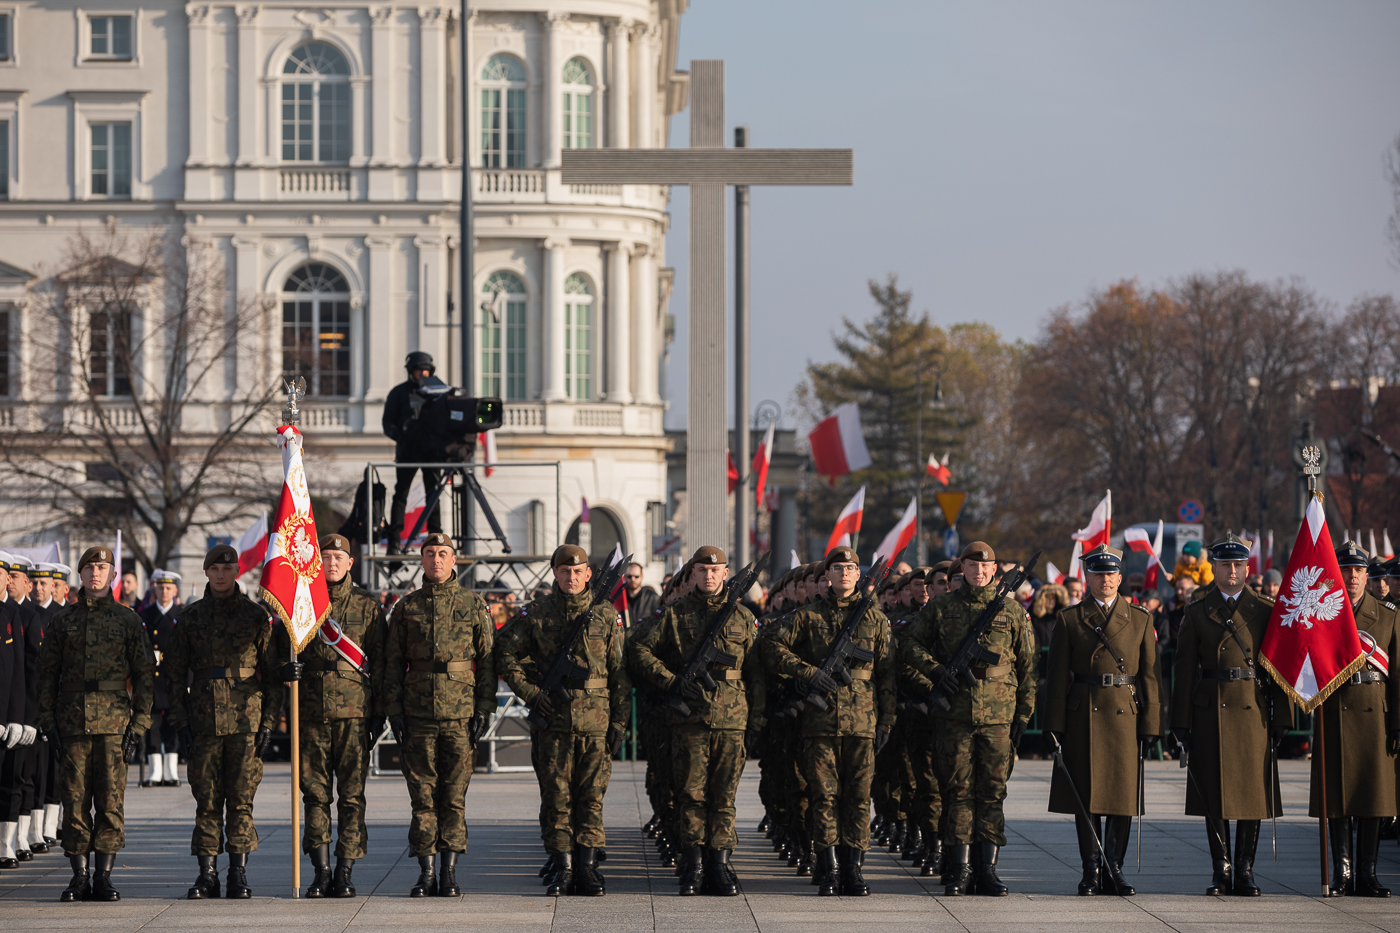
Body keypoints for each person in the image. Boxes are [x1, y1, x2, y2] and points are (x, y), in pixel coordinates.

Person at [903, 541, 1037, 897]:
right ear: (961, 568)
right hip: (955, 714)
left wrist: (1023, 716)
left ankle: (987, 870)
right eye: (972, 565)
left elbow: (1028, 668)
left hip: (998, 716)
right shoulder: (941, 607)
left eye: (985, 566)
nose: (979, 571)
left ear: (994, 570)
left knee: (992, 792)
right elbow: (909, 645)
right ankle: (960, 868)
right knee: (958, 791)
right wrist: (935, 670)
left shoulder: (1012, 611)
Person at [496, 544, 630, 897]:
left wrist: (619, 722)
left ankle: (587, 868)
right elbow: (503, 651)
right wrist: (529, 692)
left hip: (596, 722)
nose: (571, 577)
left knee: (591, 798)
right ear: (554, 573)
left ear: (588, 573)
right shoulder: (537, 612)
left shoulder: (605, 614)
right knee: (556, 798)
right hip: (553, 721)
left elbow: (620, 673)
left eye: (577, 571)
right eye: (565, 571)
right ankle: (564, 868)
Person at [762, 546, 894, 897]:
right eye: (837, 568)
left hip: (863, 723)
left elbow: (887, 675)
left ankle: (854, 868)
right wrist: (807, 672)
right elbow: (770, 647)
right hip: (820, 722)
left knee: (859, 798)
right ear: (827, 576)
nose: (844, 573)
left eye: (850, 568)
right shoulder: (807, 616)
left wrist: (886, 722)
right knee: (824, 796)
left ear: (858, 575)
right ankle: (829, 867)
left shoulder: (874, 618)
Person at [632, 546, 763, 897]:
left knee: (724, 796)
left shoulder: (742, 617)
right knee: (690, 795)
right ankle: (694, 865)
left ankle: (719, 865)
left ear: (725, 573)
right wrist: (671, 681)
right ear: (692, 574)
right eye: (702, 570)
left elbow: (756, 673)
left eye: (715, 570)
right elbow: (638, 650)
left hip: (732, 719)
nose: (708, 575)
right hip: (689, 720)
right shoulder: (674, 614)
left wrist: (757, 719)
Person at [1171, 533, 1289, 897]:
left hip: (1253, 707)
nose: (1232, 571)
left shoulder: (1265, 610)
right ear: (1214, 568)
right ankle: (1221, 868)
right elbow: (1184, 671)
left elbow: (1278, 667)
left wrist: (1283, 717)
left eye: (1238, 564)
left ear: (1248, 568)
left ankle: (1245, 868)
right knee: (1214, 792)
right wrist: (1180, 721)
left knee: (1252, 792)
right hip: (1212, 709)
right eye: (1225, 565)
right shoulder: (1196, 611)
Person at [36, 546, 154, 903]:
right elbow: (47, 675)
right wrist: (47, 721)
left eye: (102, 567)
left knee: (110, 800)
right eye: (89, 568)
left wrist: (139, 723)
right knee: (73, 801)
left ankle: (103, 876)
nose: (95, 573)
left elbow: (144, 675)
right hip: (72, 724)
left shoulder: (128, 620)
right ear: (80, 574)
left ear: (113, 574)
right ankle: (79, 876)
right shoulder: (63, 620)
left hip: (114, 725)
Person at [166, 544, 283, 900]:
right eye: (215, 569)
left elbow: (272, 675)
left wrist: (268, 722)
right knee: (207, 800)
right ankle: (207, 875)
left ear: (237, 572)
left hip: (246, 722)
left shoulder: (256, 616)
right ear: (206, 572)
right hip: (203, 723)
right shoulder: (189, 618)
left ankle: (237, 872)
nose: (221, 574)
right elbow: (174, 675)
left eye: (227, 568)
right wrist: (180, 722)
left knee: (241, 799)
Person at [1045, 545, 1162, 896]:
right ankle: (1091, 869)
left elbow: (1150, 676)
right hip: (1085, 712)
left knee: (1122, 795)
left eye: (1111, 574)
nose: (1105, 580)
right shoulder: (1070, 619)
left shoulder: (1140, 619)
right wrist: (1054, 725)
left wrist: (1152, 723)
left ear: (1120, 578)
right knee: (1087, 796)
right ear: (1088, 577)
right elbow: (1056, 678)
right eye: (1098, 574)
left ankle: (1115, 868)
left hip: (1125, 713)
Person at [384, 533, 495, 898]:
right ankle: (426, 871)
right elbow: (392, 663)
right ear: (422, 559)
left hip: (460, 715)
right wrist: (394, 710)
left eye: (443, 554)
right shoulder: (407, 607)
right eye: (430, 553)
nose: (436, 560)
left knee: (454, 796)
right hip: (417, 715)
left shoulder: (473, 604)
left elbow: (487, 661)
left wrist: (484, 707)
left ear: (453, 560)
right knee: (422, 796)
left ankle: (449, 871)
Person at [285, 535, 386, 898]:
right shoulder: (300, 603)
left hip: (354, 715)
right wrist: (286, 669)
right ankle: (321, 871)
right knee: (314, 796)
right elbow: (281, 653)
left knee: (352, 796)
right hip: (311, 714)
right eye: (325, 557)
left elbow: (382, 663)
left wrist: (380, 713)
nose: (331, 563)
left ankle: (345, 870)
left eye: (338, 557)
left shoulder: (368, 607)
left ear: (349, 563)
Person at [1311, 542, 1397, 897]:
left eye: (1359, 570)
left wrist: (1397, 723)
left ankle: (1368, 873)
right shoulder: (1323, 612)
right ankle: (1343, 873)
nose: (1352, 577)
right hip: (1336, 711)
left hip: (1375, 713)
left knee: (1373, 795)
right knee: (1337, 796)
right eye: (1345, 570)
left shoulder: (1388, 616)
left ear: (1367, 574)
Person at [0, 553, 41, 869]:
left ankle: (7, 844)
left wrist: (22, 718)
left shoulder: (15, 614)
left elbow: (23, 672)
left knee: (13, 781)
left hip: (9, 716)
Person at [382, 351, 444, 551]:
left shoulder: (438, 391)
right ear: (411, 371)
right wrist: (401, 436)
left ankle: (436, 536)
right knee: (401, 493)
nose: (423, 374)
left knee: (433, 492)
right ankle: (394, 540)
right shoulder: (399, 392)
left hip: (432, 451)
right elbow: (387, 422)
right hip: (408, 451)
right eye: (419, 370)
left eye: (426, 371)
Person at [137, 569, 182, 788]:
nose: (164, 591)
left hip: (174, 678)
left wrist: (188, 683)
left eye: (168, 588)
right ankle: (155, 772)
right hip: (152, 679)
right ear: (154, 590)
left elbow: (190, 653)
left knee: (173, 726)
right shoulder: (145, 615)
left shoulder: (181, 615)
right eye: (160, 587)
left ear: (175, 591)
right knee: (152, 726)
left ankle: (171, 772)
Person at [622, 562, 661, 626]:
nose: (633, 579)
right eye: (629, 576)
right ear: (625, 577)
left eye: (636, 576)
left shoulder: (652, 597)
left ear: (641, 576)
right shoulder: (619, 597)